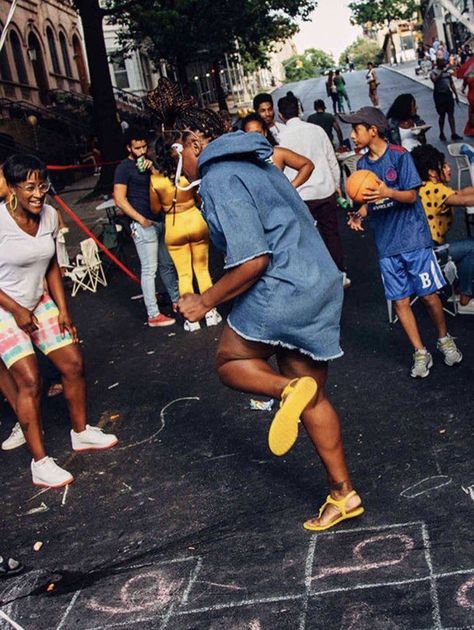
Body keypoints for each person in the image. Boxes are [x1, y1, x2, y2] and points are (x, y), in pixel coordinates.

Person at [150, 77, 363, 532]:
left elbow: (253, 259)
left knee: (231, 360)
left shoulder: (221, 177)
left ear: (192, 144)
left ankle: (285, 391)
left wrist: (203, 299)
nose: (177, 164)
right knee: (314, 392)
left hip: (282, 285)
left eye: (177, 153)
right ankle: (343, 494)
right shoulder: (256, 161)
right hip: (317, 281)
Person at [0, 154, 118, 487]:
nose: (38, 194)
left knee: (73, 363)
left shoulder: (49, 215)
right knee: (30, 379)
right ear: (12, 188)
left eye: (43, 185)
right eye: (29, 187)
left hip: (38, 301)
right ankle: (40, 463)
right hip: (4, 308)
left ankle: (80, 432)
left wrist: (62, 308)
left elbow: (51, 264)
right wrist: (18, 311)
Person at [340, 107, 463, 377]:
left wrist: (387, 191)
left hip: (413, 239)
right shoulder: (361, 166)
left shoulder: (400, 156)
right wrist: (359, 214)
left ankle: (444, 339)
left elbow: (410, 197)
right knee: (400, 301)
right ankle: (420, 352)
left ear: (373, 130)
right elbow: (370, 204)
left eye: (356, 129)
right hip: (386, 244)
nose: (352, 135)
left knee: (430, 296)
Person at [149, 135, 222, 331]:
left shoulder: (155, 180)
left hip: (174, 224)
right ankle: (211, 312)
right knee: (202, 269)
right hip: (195, 219)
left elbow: (155, 209)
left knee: (183, 274)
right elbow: (199, 197)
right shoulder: (187, 174)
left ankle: (192, 319)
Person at [278, 96, 351, 287]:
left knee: (308, 239)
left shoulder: (281, 137)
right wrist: (336, 187)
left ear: (280, 115)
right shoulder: (317, 130)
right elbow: (331, 160)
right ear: (300, 109)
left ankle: (318, 279)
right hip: (325, 191)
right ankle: (340, 274)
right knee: (331, 233)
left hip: (300, 196)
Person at [113, 128, 179, 327]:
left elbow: (164, 187)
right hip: (143, 224)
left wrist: (152, 170)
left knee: (167, 264)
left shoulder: (151, 163)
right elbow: (119, 199)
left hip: (159, 219)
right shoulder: (124, 168)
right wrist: (139, 219)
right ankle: (153, 314)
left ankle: (176, 301)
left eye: (144, 147)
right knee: (149, 269)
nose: (141, 151)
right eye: (137, 147)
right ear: (129, 148)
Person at [411, 144, 474, 312]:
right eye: (443, 165)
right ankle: (465, 298)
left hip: (419, 251)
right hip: (430, 254)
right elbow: (464, 201)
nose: (448, 168)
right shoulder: (435, 190)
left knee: (468, 245)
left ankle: (461, 287)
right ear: (432, 172)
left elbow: (461, 193)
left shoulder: (425, 187)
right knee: (472, 247)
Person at [241, 113, 315, 186]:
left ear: (265, 133)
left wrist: (290, 188)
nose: (255, 137)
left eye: (258, 133)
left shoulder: (276, 153)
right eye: (250, 134)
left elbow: (308, 165)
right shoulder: (242, 159)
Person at [430, 58, 462, 141]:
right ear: (438, 63)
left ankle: (453, 133)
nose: (444, 63)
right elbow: (435, 80)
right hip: (439, 96)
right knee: (442, 115)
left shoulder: (447, 73)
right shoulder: (434, 72)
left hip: (448, 94)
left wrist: (456, 95)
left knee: (451, 114)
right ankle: (441, 132)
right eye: (442, 61)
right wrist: (443, 72)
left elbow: (451, 84)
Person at [460, 57, 474, 137]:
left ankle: (471, 127)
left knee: (472, 111)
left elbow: (463, 87)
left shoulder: (467, 75)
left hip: (471, 95)